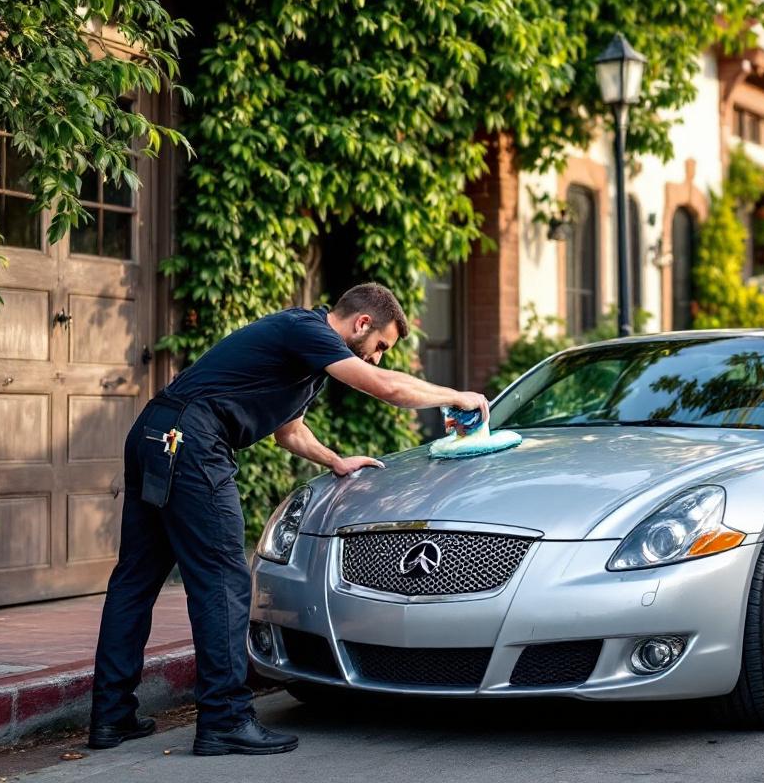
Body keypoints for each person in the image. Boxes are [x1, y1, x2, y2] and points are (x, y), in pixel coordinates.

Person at [88, 283, 489, 756]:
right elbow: (385, 387)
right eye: (380, 346)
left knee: (134, 579)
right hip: (193, 441)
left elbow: (289, 431)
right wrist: (459, 396)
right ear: (362, 323)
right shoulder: (307, 329)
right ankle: (225, 719)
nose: (377, 358)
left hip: (157, 434)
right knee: (223, 582)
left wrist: (335, 460)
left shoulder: (302, 352)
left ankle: (111, 717)